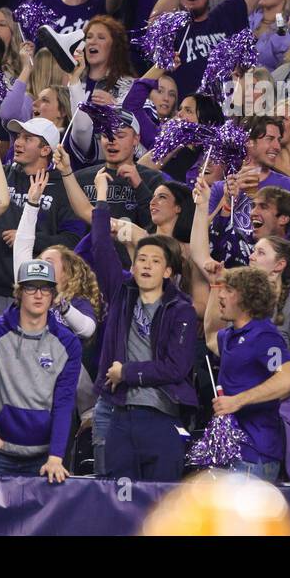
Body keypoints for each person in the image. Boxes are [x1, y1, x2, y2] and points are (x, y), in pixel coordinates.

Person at [91, 167, 198, 480]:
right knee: (115, 501)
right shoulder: (121, 292)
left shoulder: (182, 310)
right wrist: (101, 197)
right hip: (117, 410)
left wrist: (128, 372)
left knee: (160, 505)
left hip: (160, 415)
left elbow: (175, 368)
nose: (146, 265)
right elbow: (100, 246)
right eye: (141, 259)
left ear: (168, 272)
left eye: (155, 261)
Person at [0, 260, 82, 482]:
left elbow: (64, 402)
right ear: (19, 292)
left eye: (45, 288)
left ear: (52, 295)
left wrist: (56, 456)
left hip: (43, 457)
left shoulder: (69, 343)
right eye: (31, 287)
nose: (38, 295)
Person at [201, 264, 290, 481]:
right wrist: (215, 283)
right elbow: (210, 336)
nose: (221, 295)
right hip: (231, 449)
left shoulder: (263, 336)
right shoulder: (231, 335)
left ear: (247, 298)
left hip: (254, 454)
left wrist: (237, 401)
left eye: (228, 290)